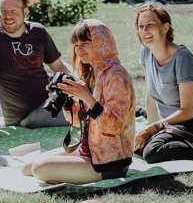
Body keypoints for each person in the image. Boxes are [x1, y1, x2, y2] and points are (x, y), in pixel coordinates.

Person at [30, 19, 135, 184]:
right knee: (28, 166)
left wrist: (87, 97)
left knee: (38, 168)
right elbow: (78, 122)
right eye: (76, 44)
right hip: (88, 150)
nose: (79, 49)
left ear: (101, 42)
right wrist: (65, 100)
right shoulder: (90, 72)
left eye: (85, 42)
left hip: (108, 163)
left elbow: (115, 126)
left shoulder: (116, 76)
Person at [132, 1, 193, 163]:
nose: (144, 31)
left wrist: (153, 129)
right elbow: (151, 96)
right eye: (141, 26)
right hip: (170, 125)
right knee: (130, 142)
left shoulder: (183, 59)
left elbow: (187, 112)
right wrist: (149, 131)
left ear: (165, 28)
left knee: (153, 152)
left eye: (150, 25)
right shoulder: (146, 52)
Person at [0, 0, 71, 128]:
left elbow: (58, 66)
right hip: (28, 115)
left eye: (14, 10)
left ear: (25, 12)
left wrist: (81, 83)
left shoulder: (38, 31)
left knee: (96, 99)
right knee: (88, 113)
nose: (8, 15)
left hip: (53, 98)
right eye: (3, 10)